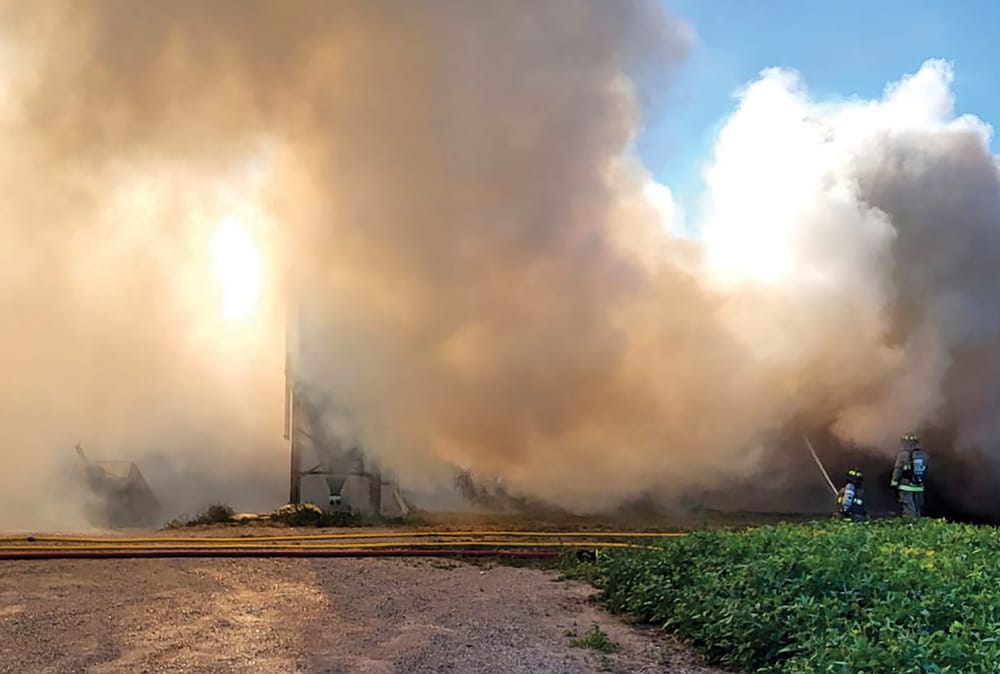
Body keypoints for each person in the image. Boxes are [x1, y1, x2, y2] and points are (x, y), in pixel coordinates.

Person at [891, 433, 928, 519]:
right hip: (919, 487)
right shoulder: (923, 455)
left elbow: (898, 470)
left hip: (906, 487)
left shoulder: (903, 455)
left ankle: (910, 528)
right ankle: (919, 527)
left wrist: (894, 484)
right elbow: (927, 470)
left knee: (909, 510)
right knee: (917, 510)